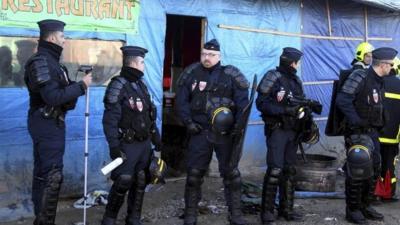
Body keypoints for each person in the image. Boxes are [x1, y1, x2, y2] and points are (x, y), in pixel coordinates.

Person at [24, 19, 92, 225]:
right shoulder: (41, 62)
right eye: (63, 36)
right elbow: (53, 97)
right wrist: (81, 86)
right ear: (53, 37)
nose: (65, 40)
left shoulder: (55, 64)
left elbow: (64, 98)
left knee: (46, 174)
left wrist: (75, 85)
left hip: (53, 123)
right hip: (45, 123)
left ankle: (42, 220)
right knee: (51, 176)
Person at [175, 39, 249, 225]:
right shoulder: (191, 73)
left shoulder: (231, 75)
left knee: (231, 174)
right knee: (194, 175)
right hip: (199, 131)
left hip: (225, 134)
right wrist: (188, 122)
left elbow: (243, 104)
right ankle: (191, 214)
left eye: (211, 55)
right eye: (204, 54)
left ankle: (236, 215)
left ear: (219, 56)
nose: (207, 58)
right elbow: (181, 102)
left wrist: (237, 128)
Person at [336, 47, 398, 224]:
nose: (392, 67)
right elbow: (343, 100)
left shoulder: (380, 80)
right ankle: (353, 210)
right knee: (358, 171)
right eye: (391, 64)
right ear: (384, 64)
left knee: (374, 170)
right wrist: (355, 120)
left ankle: (365, 205)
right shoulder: (360, 76)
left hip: (372, 132)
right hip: (357, 132)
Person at [101, 46, 162, 225]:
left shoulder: (140, 85)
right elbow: (110, 121)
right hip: (127, 144)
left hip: (144, 144)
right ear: (135, 63)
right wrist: (114, 146)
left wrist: (156, 139)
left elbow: (148, 115)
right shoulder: (118, 85)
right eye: (142, 62)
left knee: (141, 179)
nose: (144, 66)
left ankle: (133, 218)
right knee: (123, 181)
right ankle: (109, 218)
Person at [256, 47, 310, 225]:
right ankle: (267, 213)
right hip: (277, 130)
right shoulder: (272, 77)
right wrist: (285, 110)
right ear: (292, 62)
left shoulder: (296, 80)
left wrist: (307, 111)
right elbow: (261, 104)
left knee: (289, 171)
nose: (298, 66)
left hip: (292, 132)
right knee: (275, 171)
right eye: (297, 62)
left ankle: (286, 210)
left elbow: (300, 103)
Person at [376, 56, 400, 202]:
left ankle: (373, 193)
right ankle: (388, 194)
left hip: (375, 134)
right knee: (389, 166)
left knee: (374, 164)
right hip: (392, 137)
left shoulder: (377, 83)